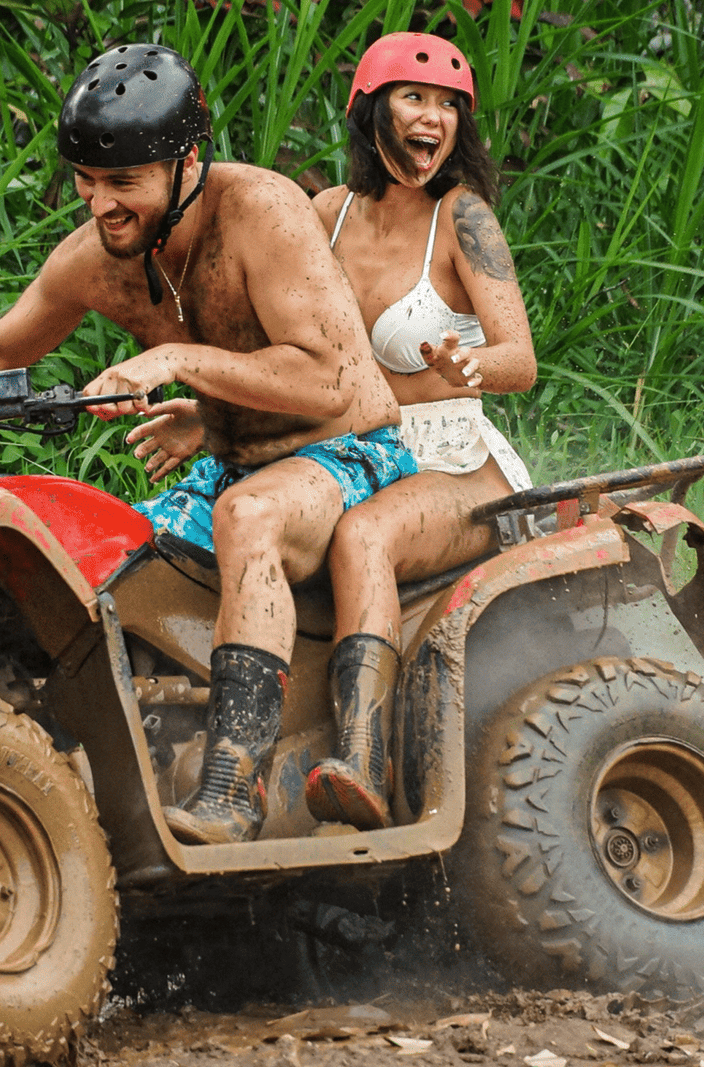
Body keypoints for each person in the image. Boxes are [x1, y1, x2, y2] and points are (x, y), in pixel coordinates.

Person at [0, 44, 412, 846]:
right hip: (234, 465)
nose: (102, 205)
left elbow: (331, 379)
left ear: (186, 162)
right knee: (102, 564)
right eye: (87, 182)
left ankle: (233, 791)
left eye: (124, 182)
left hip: (352, 453)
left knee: (248, 516)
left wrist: (177, 360)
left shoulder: (261, 211)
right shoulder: (98, 256)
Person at [132, 32, 538, 832]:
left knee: (363, 538)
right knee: (175, 533)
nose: (433, 118)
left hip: (453, 456)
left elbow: (520, 358)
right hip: (345, 448)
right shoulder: (325, 213)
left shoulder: (462, 217)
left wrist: (471, 365)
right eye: (414, 98)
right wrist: (209, 417)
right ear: (369, 110)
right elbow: (299, 360)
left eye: (449, 105)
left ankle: (362, 760)